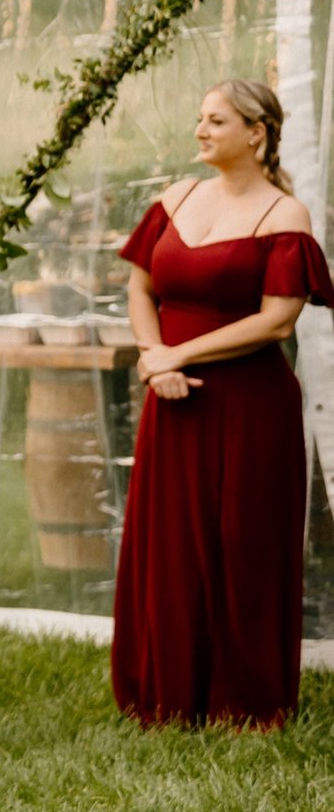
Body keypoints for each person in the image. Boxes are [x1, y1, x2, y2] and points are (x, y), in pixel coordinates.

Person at [112, 80, 333, 728]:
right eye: (199, 118)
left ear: (255, 132)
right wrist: (156, 361)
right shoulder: (174, 199)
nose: (201, 131)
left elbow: (276, 323)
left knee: (244, 545)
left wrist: (180, 355)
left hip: (249, 406)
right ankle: (166, 695)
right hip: (172, 400)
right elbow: (140, 288)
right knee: (170, 542)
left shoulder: (284, 216)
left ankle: (245, 702)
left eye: (216, 120)